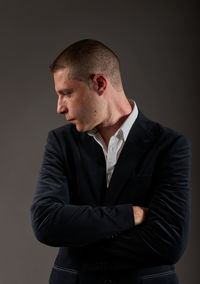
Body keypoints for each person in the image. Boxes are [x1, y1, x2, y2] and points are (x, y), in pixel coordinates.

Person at [30, 39, 191, 284]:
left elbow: (168, 242)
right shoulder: (60, 142)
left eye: (66, 93)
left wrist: (79, 242)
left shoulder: (169, 144)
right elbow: (46, 223)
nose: (59, 107)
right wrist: (130, 215)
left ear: (99, 83)